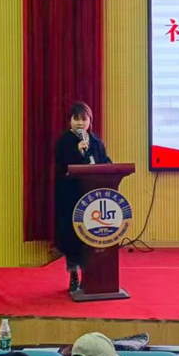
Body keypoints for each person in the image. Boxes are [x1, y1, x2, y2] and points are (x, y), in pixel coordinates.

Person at [54, 101, 112, 292]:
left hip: (93, 199)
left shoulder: (95, 141)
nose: (80, 123)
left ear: (90, 121)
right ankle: (73, 275)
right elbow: (62, 168)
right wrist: (78, 153)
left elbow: (105, 162)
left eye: (84, 119)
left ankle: (93, 275)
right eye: (76, 119)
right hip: (71, 197)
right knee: (72, 237)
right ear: (70, 121)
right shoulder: (64, 142)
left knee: (92, 235)